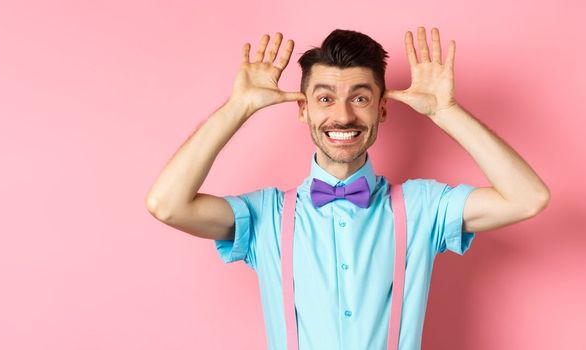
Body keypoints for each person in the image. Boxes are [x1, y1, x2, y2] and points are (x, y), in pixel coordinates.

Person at [144, 27, 550, 349]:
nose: (342, 115)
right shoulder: (266, 216)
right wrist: (239, 107)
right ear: (302, 110)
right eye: (324, 98)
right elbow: (167, 204)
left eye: (360, 98)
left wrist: (446, 112)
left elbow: (528, 198)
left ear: (382, 108)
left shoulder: (424, 207)